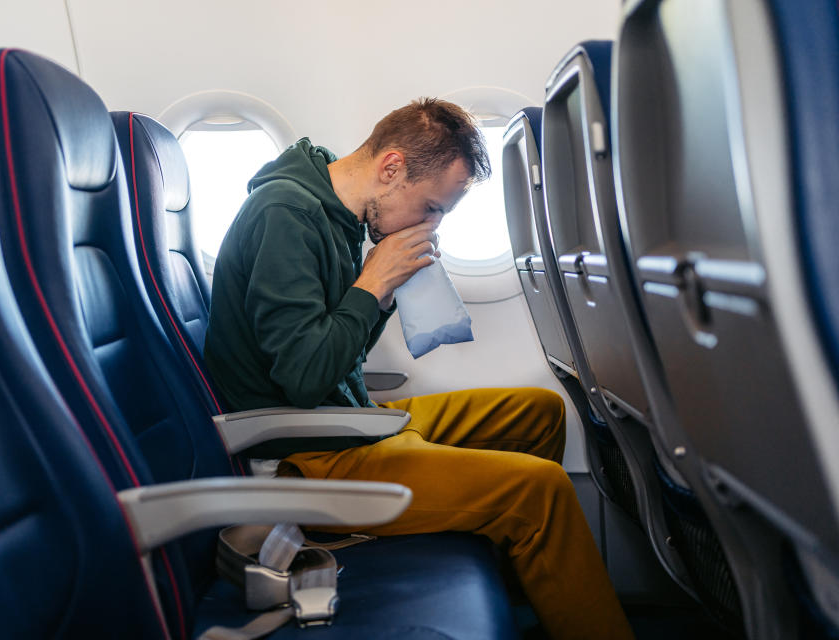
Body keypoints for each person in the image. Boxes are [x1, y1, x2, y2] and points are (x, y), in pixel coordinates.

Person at [204, 98, 634, 639]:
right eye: (431, 207)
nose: (431, 224)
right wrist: (372, 285)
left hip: (349, 422)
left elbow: (343, 359)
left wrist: (379, 296)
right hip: (311, 456)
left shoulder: (338, 214)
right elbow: (305, 377)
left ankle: (535, 588)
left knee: (539, 410)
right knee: (540, 490)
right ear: (391, 168)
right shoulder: (285, 216)